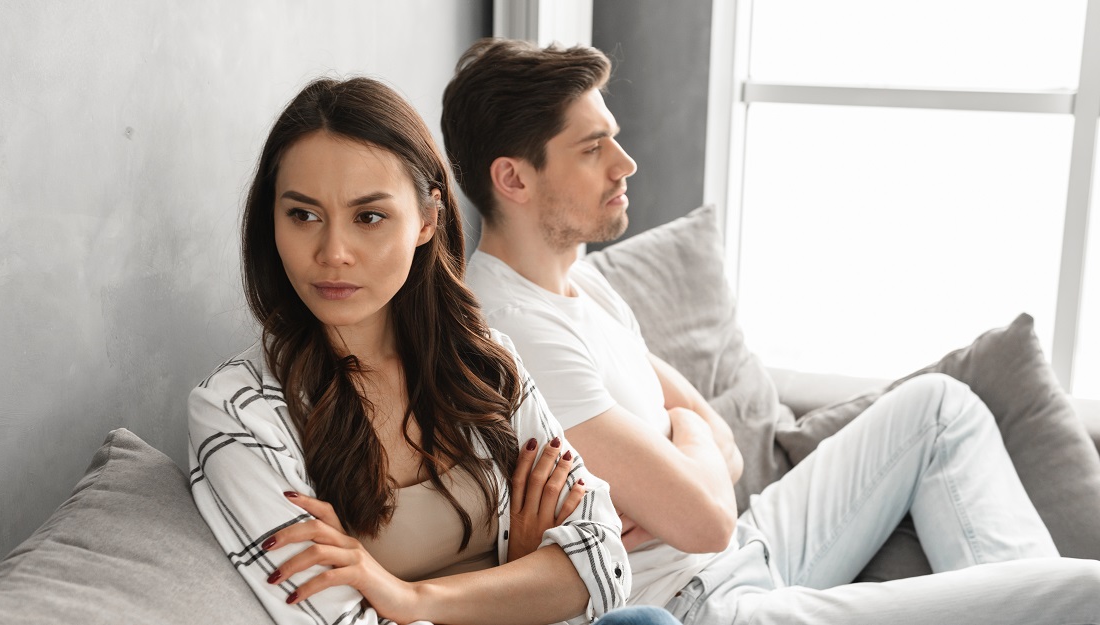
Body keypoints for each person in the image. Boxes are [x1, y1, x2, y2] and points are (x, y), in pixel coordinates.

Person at [442, 37, 1100, 625]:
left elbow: (712, 436)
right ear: (513, 178)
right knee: (1086, 592)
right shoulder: (517, 334)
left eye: (613, 137)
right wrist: (690, 455)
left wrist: (687, 442)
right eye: (592, 149)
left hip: (745, 547)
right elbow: (706, 516)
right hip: (697, 604)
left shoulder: (583, 284)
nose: (625, 162)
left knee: (940, 408)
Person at [187, 76, 666, 625]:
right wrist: (522, 577)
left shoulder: (485, 362)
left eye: (369, 217)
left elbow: (605, 563)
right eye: (303, 215)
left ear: (427, 220)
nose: (333, 252)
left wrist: (408, 596)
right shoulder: (238, 412)